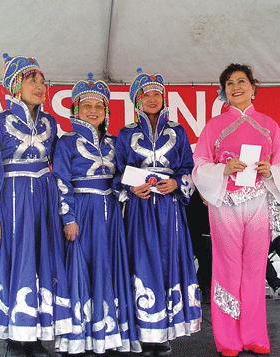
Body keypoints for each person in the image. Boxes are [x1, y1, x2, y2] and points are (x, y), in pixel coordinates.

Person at [0, 54, 71, 357]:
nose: (40, 86)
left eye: (42, 81)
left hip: (43, 202)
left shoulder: (50, 123)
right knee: (15, 263)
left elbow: (60, 164)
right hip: (12, 203)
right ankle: (14, 338)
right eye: (32, 80)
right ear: (15, 86)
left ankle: (36, 335)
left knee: (41, 262)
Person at [192, 63, 280, 356]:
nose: (235, 87)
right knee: (226, 269)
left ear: (253, 87)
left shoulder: (268, 124)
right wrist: (222, 168)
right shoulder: (213, 126)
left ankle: (254, 335)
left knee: (254, 269)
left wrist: (269, 169)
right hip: (225, 204)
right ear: (224, 92)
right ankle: (228, 340)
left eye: (241, 81)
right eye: (229, 84)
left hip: (258, 202)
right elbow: (199, 167)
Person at [116, 69, 202, 356]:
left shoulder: (177, 131)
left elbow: (188, 167)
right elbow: (116, 173)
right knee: (141, 262)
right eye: (146, 95)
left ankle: (164, 334)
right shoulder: (126, 134)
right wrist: (131, 188)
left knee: (168, 262)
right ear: (136, 100)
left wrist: (177, 182)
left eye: (157, 95)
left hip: (168, 208)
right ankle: (142, 331)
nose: (152, 99)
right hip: (139, 209)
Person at [52, 74, 140, 354]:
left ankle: (109, 335)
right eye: (86, 105)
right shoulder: (65, 143)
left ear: (106, 112)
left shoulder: (114, 142)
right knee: (82, 269)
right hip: (82, 212)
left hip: (111, 212)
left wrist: (129, 186)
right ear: (75, 110)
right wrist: (69, 218)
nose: (93, 111)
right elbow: (60, 182)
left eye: (99, 106)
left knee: (110, 267)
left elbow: (121, 175)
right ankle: (81, 336)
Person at [185, 190, 213, 305]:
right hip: (193, 220)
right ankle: (203, 286)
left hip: (210, 219)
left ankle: (202, 283)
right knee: (206, 247)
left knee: (209, 248)